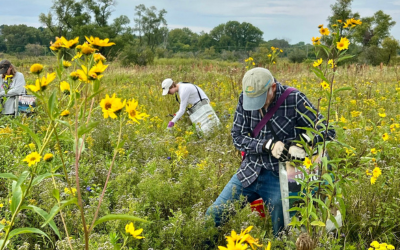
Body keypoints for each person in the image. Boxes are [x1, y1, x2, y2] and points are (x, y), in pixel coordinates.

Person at [205, 67, 335, 237]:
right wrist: (266, 145)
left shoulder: (294, 98)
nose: (255, 105)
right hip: (250, 171)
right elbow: (237, 137)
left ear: (272, 87)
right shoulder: (245, 98)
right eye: (252, 99)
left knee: (281, 232)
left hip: (280, 176)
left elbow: (327, 131)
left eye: (260, 98)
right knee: (212, 216)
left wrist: (300, 144)